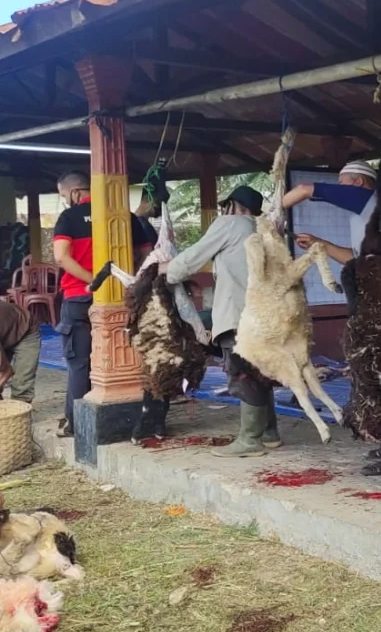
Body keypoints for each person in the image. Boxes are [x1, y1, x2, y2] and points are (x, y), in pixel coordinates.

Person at [281, 160, 381, 476]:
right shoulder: (369, 218)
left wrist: (268, 216)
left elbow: (304, 190)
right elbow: (358, 261)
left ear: (358, 183)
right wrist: (322, 245)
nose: (342, 190)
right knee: (378, 375)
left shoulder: (369, 201)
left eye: (344, 183)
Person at [164, 185, 281, 458]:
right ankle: (269, 433)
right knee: (260, 371)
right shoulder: (266, 230)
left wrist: (167, 272)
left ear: (232, 206)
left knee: (243, 374)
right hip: (267, 314)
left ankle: (250, 440)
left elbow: (194, 256)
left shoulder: (230, 223)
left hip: (240, 314)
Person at [52, 170, 152, 437]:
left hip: (78, 297)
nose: (65, 200)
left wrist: (93, 281)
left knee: (79, 362)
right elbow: (146, 253)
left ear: (74, 193)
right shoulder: (125, 216)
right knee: (125, 358)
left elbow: (61, 257)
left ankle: (75, 424)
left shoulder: (69, 217)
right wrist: (125, 280)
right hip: (120, 298)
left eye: (63, 195)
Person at [0, 302, 41, 404]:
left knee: (22, 383)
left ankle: (20, 414)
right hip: (5, 331)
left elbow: (6, 371)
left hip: (26, 330)